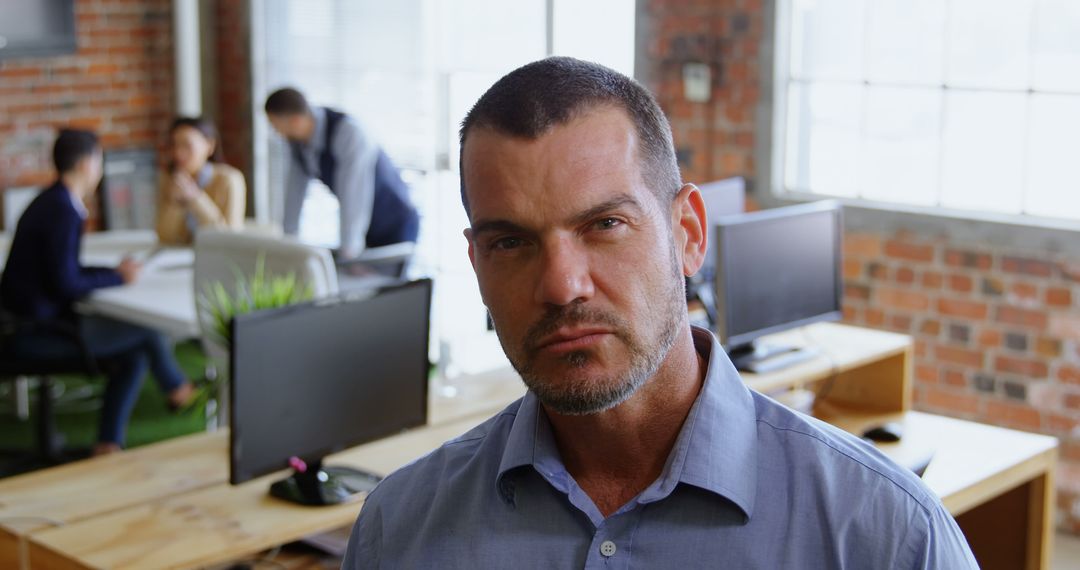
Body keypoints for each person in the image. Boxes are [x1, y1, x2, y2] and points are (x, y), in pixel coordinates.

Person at [343, 58, 977, 568]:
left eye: (605, 225)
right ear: (477, 264)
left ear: (689, 234)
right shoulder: (399, 531)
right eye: (511, 243)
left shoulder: (887, 536)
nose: (563, 287)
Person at [1, 129, 197, 456]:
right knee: (147, 331)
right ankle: (178, 389)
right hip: (35, 332)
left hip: (28, 321)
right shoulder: (64, 211)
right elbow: (66, 284)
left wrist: (113, 273)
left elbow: (65, 271)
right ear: (86, 164)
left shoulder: (52, 200)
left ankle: (108, 444)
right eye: (99, 161)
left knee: (133, 357)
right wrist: (118, 279)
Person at [263, 88, 419, 261]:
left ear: (295, 120)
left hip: (395, 223)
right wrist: (288, 245)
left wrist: (348, 252)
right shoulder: (298, 145)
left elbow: (353, 195)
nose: (278, 134)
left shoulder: (348, 134)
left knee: (392, 287)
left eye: (277, 127)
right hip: (366, 228)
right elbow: (294, 193)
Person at [156, 117, 246, 245]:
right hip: (181, 256)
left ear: (209, 145)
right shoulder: (170, 179)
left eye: (186, 145)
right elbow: (164, 237)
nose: (178, 153)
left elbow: (229, 237)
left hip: (217, 257)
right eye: (174, 145)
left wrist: (195, 198)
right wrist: (175, 203)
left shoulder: (229, 179)